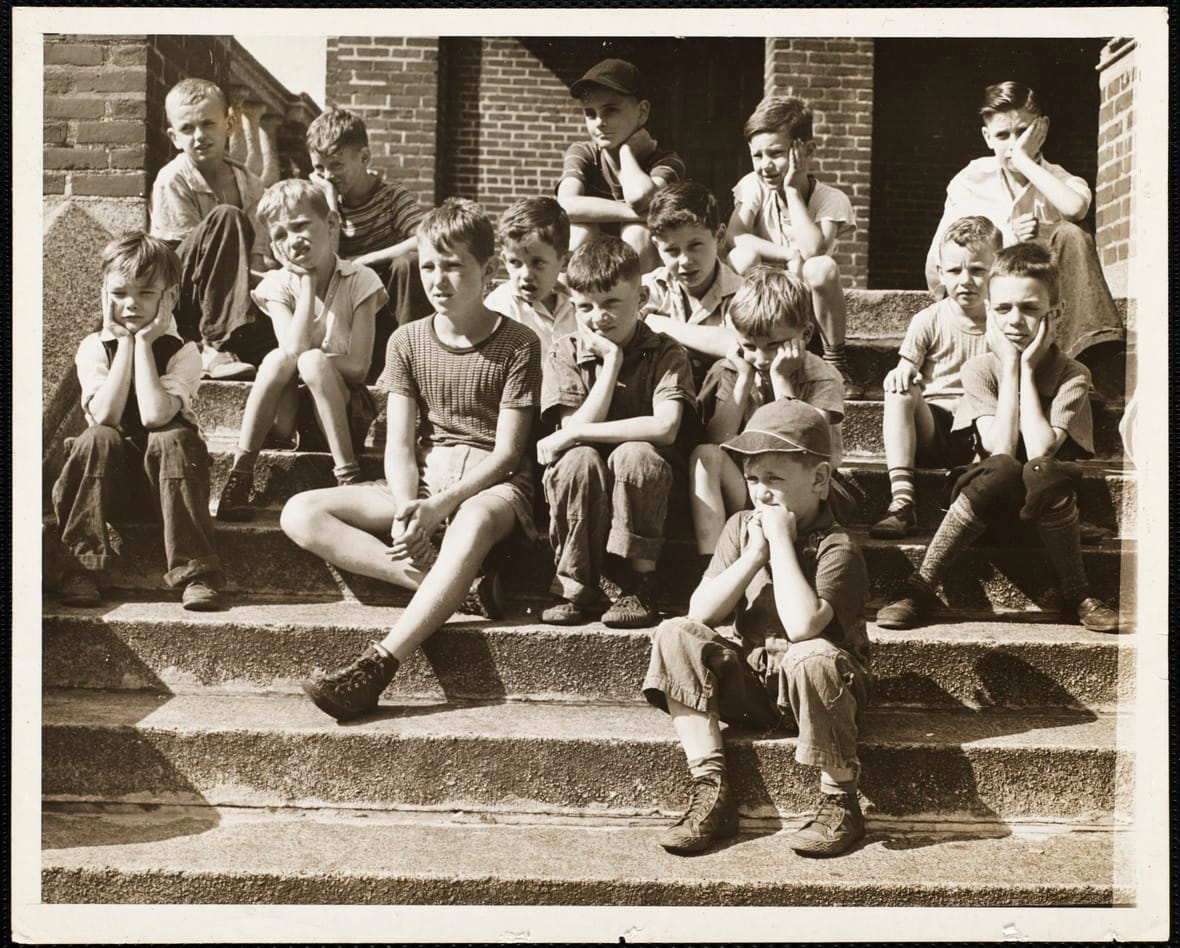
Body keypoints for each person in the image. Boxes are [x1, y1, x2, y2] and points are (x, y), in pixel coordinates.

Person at [283, 199, 542, 721]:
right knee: (300, 512)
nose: (438, 280)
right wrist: (408, 509)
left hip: (494, 487)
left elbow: (510, 453)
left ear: (487, 270)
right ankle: (451, 588)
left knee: (470, 521)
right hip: (426, 477)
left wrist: (440, 507)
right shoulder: (407, 340)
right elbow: (399, 444)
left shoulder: (519, 343)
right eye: (428, 265)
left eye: (453, 266)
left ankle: (378, 665)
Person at [643, 398, 870, 857]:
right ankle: (711, 789)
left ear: (821, 480)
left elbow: (804, 626)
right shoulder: (741, 528)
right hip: (758, 686)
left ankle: (841, 800)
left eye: (775, 480)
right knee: (674, 632)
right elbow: (701, 612)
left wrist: (781, 545)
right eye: (752, 480)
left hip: (823, 692)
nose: (761, 494)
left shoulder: (838, 546)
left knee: (811, 655)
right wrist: (751, 557)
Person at [877, 244, 1123, 633]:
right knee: (1005, 467)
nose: (1016, 320)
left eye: (1030, 309)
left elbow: (1041, 448)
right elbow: (1000, 449)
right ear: (989, 310)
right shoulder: (980, 370)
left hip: (1048, 516)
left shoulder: (1072, 373)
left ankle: (1077, 594)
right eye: (1004, 308)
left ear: (1054, 313)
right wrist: (1009, 366)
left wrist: (1025, 369)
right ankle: (920, 586)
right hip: (980, 511)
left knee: (1041, 468)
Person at [52, 233, 223, 611]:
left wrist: (144, 344)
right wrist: (123, 344)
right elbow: (107, 414)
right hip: (104, 492)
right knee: (99, 437)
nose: (130, 305)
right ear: (104, 294)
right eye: (119, 294)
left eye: (146, 293)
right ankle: (82, 567)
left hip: (168, 494)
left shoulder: (185, 352)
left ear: (171, 298)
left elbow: (153, 414)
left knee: (172, 437)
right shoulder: (93, 348)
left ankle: (195, 572)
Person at [538, 236, 696, 628]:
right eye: (585, 307)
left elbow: (666, 426)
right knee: (578, 459)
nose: (598, 317)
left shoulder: (666, 352)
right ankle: (575, 583)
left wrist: (575, 434)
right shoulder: (565, 351)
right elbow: (574, 429)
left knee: (634, 453)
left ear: (641, 297)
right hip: (588, 488)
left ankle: (637, 583)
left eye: (611, 303)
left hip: (650, 493)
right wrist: (610, 363)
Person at [213, 179, 386, 521]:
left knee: (311, 360)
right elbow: (290, 350)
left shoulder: (361, 280)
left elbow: (359, 368)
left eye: (300, 226)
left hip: (342, 413)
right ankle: (240, 473)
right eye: (280, 235)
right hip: (288, 418)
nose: (292, 240)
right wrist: (305, 283)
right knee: (280, 358)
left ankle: (347, 476)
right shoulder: (277, 285)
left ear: (332, 223)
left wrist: (314, 361)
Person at [923, 81, 1122, 359]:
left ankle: (1088, 358)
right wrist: (1006, 239)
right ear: (987, 137)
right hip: (992, 305)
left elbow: (1076, 208)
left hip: (1045, 310)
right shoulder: (970, 180)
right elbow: (938, 266)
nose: (1013, 144)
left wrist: (1024, 161)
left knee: (1072, 233)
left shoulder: (1058, 179)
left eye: (1023, 132)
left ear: (1042, 128)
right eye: (1003, 135)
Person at [691, 267, 844, 558]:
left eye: (774, 345)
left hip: (806, 491)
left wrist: (781, 381)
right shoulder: (734, 370)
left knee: (790, 470)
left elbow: (805, 450)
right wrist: (744, 380)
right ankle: (712, 564)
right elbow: (717, 438)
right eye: (749, 346)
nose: (760, 358)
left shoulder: (823, 375)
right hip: (753, 487)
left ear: (806, 333)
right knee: (704, 455)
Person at [870, 216, 1002, 539]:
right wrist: (902, 372)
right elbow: (907, 366)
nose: (965, 280)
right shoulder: (929, 319)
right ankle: (902, 501)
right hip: (936, 428)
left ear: (997, 270)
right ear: (941, 273)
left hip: (986, 428)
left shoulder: (1004, 323)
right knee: (899, 391)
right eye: (955, 271)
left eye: (977, 270)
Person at [726, 96, 860, 397]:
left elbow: (814, 250)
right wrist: (787, 254)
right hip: (762, 306)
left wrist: (791, 190)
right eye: (757, 156)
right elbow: (733, 237)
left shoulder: (830, 199)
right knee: (742, 255)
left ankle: (836, 360)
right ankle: (747, 348)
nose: (765, 165)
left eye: (776, 153)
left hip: (805, 311)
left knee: (821, 267)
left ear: (806, 151)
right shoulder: (753, 186)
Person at [149, 78, 274, 380]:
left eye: (208, 124)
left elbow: (257, 259)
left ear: (229, 125)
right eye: (187, 129)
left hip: (234, 296)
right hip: (180, 297)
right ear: (174, 137)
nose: (199, 136)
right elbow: (173, 264)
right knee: (227, 217)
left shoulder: (251, 185)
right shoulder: (173, 179)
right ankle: (216, 348)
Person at [306, 107, 432, 380]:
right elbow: (326, 256)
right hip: (345, 298)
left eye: (336, 165)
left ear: (364, 158)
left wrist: (367, 258)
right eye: (319, 168)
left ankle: (408, 362)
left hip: (387, 296)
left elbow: (426, 240)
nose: (327, 176)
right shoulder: (319, 201)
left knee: (408, 263)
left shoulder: (391, 195)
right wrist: (329, 201)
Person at [557, 58, 686, 272]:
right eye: (590, 113)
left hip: (640, 263)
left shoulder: (666, 162)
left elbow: (640, 197)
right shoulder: (584, 152)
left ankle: (638, 304)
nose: (599, 122)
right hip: (594, 259)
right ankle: (570, 303)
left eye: (610, 110)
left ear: (642, 112)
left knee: (638, 231)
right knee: (579, 231)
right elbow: (565, 206)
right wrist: (640, 213)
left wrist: (627, 152)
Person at [641, 181, 745, 389]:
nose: (685, 261)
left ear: (720, 236)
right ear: (656, 247)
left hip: (721, 405)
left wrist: (655, 323)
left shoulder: (742, 293)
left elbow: (738, 344)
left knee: (728, 367)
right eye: (672, 251)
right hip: (661, 401)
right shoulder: (649, 288)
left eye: (695, 246)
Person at [485, 196, 576, 361]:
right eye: (515, 263)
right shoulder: (500, 308)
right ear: (505, 260)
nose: (526, 274)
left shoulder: (577, 307)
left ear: (565, 262)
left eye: (538, 263)